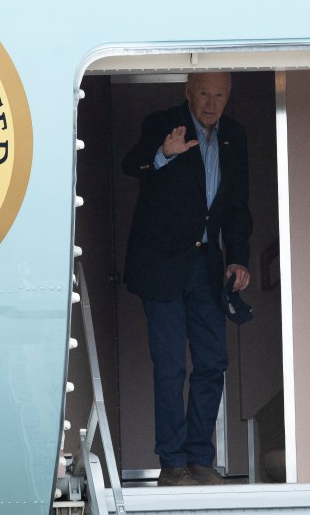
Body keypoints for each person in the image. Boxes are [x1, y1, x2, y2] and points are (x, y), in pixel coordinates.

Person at [122, 72, 252, 486]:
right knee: (171, 365)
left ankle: (199, 458)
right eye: (203, 94)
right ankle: (172, 463)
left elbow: (237, 206)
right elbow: (133, 164)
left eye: (218, 95)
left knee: (214, 361)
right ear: (188, 93)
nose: (211, 103)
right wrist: (164, 153)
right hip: (161, 264)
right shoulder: (163, 123)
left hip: (207, 265)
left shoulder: (234, 136)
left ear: (228, 96)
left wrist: (240, 258)